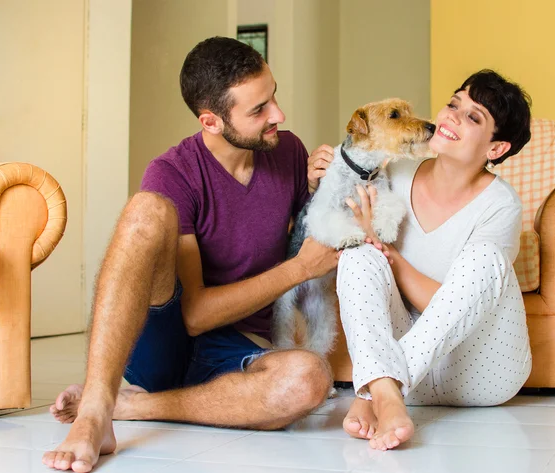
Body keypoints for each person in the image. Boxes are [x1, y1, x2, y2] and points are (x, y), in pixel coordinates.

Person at [42, 36, 339, 473]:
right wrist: (298, 270)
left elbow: (304, 240)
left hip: (234, 350)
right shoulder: (174, 171)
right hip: (165, 336)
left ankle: (132, 408)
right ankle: (93, 413)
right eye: (258, 110)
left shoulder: (287, 151)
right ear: (211, 121)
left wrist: (321, 191)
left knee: (308, 380)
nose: (278, 114)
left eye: (272, 95)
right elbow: (196, 314)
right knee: (147, 209)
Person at [311, 69, 533, 451]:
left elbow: (446, 305)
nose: (452, 116)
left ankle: (374, 393)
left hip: (481, 372)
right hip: (408, 375)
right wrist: (324, 174)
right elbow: (336, 204)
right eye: (453, 104)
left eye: (473, 117)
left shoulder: (501, 205)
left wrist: (391, 253)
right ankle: (386, 394)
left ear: (495, 149)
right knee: (358, 252)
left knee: (485, 257)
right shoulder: (392, 172)